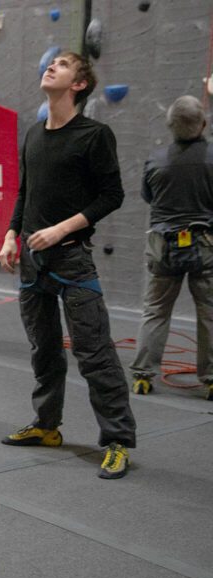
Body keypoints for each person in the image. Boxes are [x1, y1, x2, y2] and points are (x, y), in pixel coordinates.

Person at [0, 52, 136, 479]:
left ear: (79, 84)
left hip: (72, 258)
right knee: (44, 351)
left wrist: (60, 230)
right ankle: (47, 426)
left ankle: (117, 441)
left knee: (94, 354)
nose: (50, 67)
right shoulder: (34, 135)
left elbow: (112, 196)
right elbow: (26, 192)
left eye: (62, 64)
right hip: (32, 262)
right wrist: (9, 235)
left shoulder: (95, 135)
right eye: (50, 63)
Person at [129, 95, 213, 401]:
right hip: (205, 246)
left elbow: (148, 196)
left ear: (169, 126)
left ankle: (142, 375)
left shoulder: (155, 159)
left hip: (163, 246)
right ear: (203, 123)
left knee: (155, 311)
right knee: (209, 313)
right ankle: (211, 378)